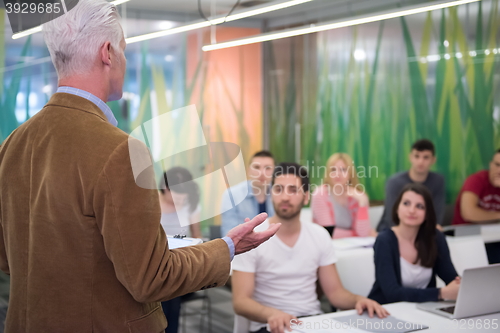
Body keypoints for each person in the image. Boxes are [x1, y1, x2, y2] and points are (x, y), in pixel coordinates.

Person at [0, 1, 279, 332]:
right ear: (107, 52)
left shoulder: (11, 145)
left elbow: (7, 258)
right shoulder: (120, 151)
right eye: (124, 49)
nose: (124, 58)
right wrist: (227, 247)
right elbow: (152, 277)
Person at [232, 163, 388, 333]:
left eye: (293, 190)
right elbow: (240, 302)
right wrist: (272, 314)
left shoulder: (319, 235)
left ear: (306, 197)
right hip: (269, 325)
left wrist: (359, 300)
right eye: (278, 189)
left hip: (311, 321)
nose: (285, 197)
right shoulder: (252, 238)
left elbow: (335, 293)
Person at [368, 183, 460, 304]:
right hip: (385, 310)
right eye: (406, 203)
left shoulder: (435, 237)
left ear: (427, 213)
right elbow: (392, 293)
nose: (412, 210)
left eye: (420, 206)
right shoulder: (385, 240)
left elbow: (451, 278)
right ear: (397, 208)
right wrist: (441, 293)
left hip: (423, 309)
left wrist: (459, 285)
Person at [377, 139, 445, 232]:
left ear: (433, 160)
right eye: (417, 156)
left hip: (423, 232)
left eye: (426, 157)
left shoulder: (438, 181)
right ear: (410, 157)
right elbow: (392, 217)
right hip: (393, 231)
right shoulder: (395, 182)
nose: (420, 161)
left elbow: (436, 215)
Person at [452, 149, 500, 263]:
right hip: (465, 235)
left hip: (495, 236)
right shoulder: (476, 180)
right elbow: (468, 213)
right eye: (497, 165)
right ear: (490, 164)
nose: (499, 170)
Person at [311, 153, 374, 238]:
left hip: (353, 247)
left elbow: (363, 234)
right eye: (333, 170)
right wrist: (355, 234)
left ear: (350, 174)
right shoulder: (320, 194)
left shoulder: (358, 196)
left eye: (343, 170)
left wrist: (362, 202)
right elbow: (328, 232)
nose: (338, 174)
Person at [221, 151, 276, 236]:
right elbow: (229, 235)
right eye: (257, 167)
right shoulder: (232, 195)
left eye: (267, 168)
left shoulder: (281, 196)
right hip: (243, 248)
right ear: (249, 170)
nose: (262, 173)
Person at [159, 167, 202, 238]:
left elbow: (196, 235)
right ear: (165, 188)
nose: (181, 202)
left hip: (182, 248)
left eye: (184, 199)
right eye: (177, 198)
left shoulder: (191, 203)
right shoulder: (151, 202)